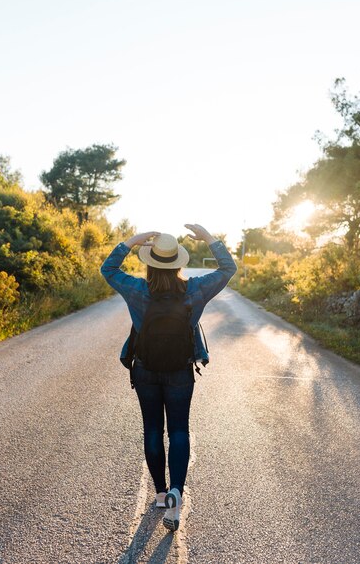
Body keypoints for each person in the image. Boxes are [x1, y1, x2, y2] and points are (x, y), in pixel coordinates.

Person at [100, 223, 237, 531]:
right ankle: (176, 491)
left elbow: (107, 269)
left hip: (145, 368)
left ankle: (161, 494)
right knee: (178, 430)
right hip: (180, 370)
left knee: (152, 428)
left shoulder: (137, 289)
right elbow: (229, 268)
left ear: (150, 263)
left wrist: (132, 241)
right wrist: (209, 238)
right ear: (179, 262)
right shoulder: (195, 288)